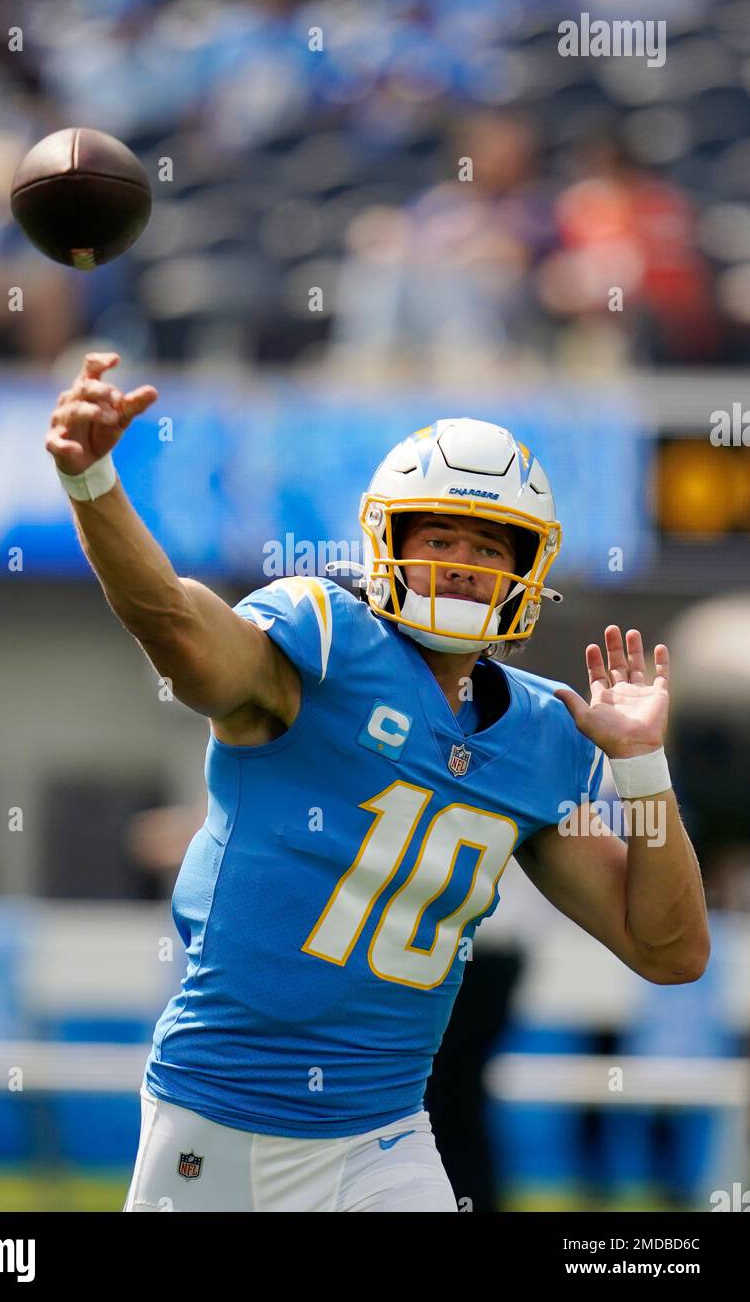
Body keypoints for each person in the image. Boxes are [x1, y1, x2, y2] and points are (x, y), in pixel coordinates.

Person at [45, 352, 710, 1213]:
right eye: (439, 538)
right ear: (389, 545)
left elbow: (669, 949)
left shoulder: (544, 737)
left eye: (487, 545)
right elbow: (173, 620)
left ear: (527, 570)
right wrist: (94, 481)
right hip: (220, 1117)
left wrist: (645, 776)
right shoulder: (320, 648)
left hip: (382, 1137)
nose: (464, 563)